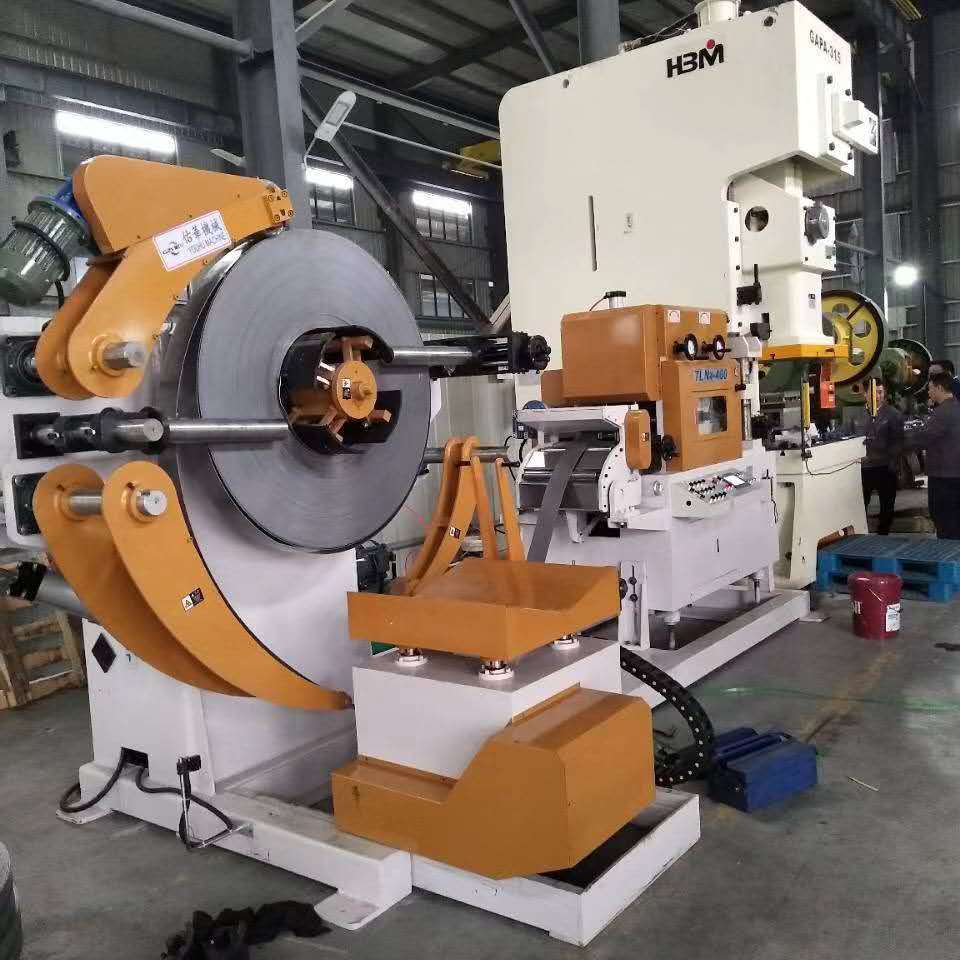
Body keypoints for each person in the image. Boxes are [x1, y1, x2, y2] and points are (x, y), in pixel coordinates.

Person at [914, 372, 960, 539]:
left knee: (943, 518)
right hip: (955, 474)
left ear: (939, 388)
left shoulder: (942, 412)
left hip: (943, 477)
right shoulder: (956, 407)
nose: (928, 392)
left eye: (930, 388)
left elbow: (923, 438)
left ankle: (948, 552)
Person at [859, 380, 903, 535]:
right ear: (865, 394)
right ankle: (859, 533)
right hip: (862, 467)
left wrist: (892, 462)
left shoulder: (893, 415)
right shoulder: (857, 415)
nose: (877, 396)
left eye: (880, 392)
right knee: (859, 503)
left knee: (887, 505)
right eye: (873, 392)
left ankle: (883, 534)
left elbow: (898, 442)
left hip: (885, 467)